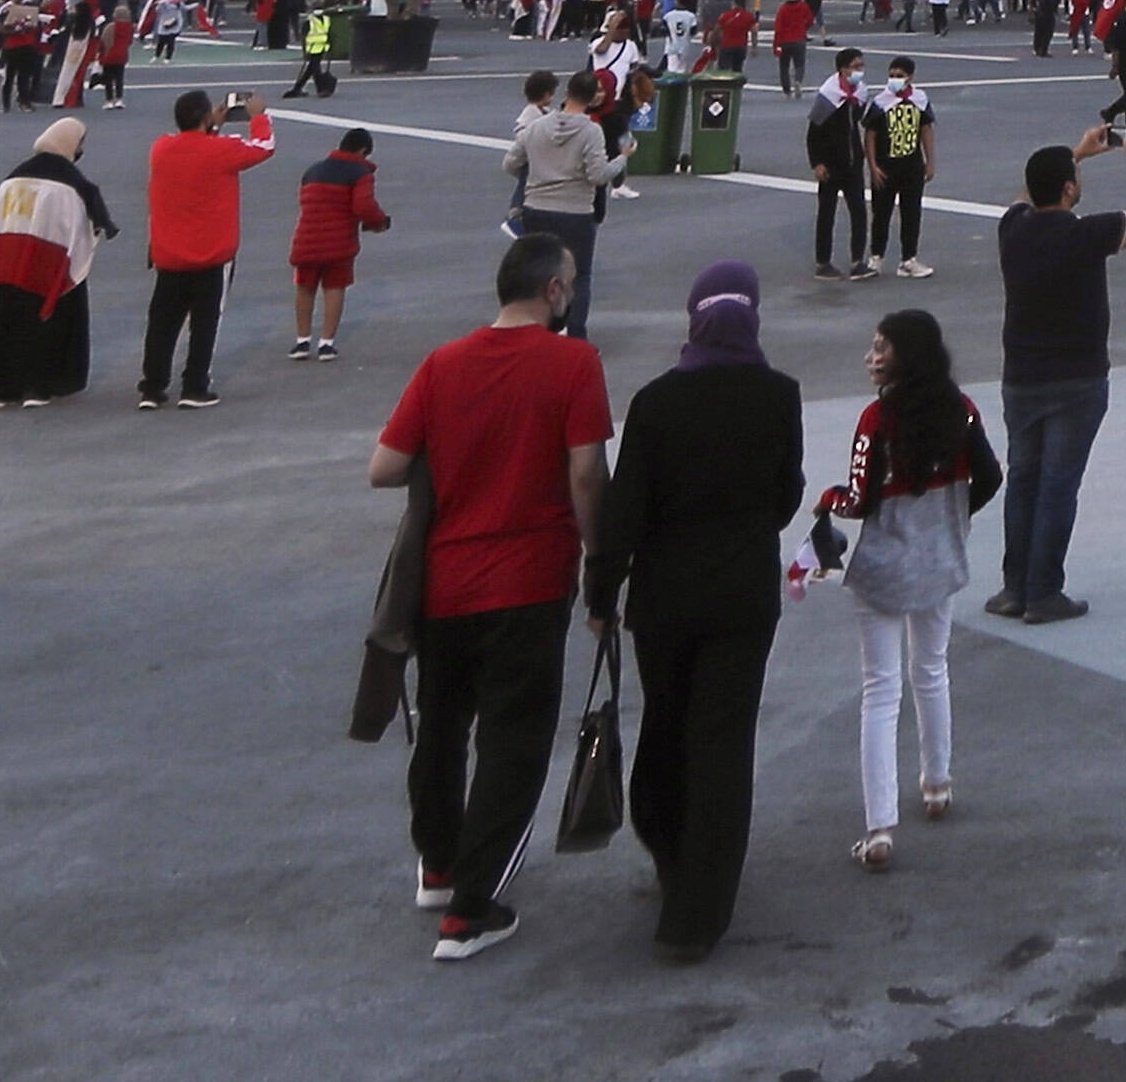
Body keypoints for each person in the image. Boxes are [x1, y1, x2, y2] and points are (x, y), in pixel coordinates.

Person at [369, 238, 614, 959]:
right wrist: (600, 561)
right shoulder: (574, 363)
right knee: (514, 740)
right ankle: (473, 906)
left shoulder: (442, 364)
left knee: (443, 728)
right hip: (529, 582)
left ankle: (438, 864)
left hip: (445, 585)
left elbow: (384, 469)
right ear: (556, 293)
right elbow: (586, 474)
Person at [587, 262, 805, 962]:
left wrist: (602, 592)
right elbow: (785, 495)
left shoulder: (657, 403)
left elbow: (626, 510)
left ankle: (666, 845)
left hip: (664, 597)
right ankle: (697, 915)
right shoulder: (779, 396)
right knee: (723, 741)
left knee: (667, 720)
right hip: (743, 593)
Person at [824, 304, 1000, 869]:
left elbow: (860, 499)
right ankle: (937, 783)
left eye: (882, 348)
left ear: (904, 356)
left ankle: (879, 828)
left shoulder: (877, 423)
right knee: (932, 667)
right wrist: (953, 519)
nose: (871, 358)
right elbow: (991, 476)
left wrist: (828, 501)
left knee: (880, 687)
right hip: (940, 561)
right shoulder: (963, 411)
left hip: (883, 568)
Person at [988, 123, 1126, 623]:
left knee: (1022, 479)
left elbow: (1028, 194)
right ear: (1070, 190)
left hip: (1020, 377)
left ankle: (1014, 586)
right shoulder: (1087, 233)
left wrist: (1076, 154)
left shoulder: (1014, 229)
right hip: (1077, 378)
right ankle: (1044, 590)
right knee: (1058, 484)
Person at [132, 89, 282, 410]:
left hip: (169, 253)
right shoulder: (222, 151)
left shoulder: (161, 148)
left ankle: (153, 387)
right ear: (204, 117)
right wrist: (258, 117)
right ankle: (195, 385)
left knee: (162, 323)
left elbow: (194, 147)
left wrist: (211, 126)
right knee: (205, 323)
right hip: (211, 254)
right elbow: (264, 147)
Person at [0, 116, 114, 410]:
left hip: (4, 263)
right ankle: (37, 387)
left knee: (2, 322)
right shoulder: (72, 180)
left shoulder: (14, 176)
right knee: (45, 320)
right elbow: (91, 221)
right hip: (45, 265)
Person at [505, 67, 617, 331]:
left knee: (537, 273)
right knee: (579, 277)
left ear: (567, 93)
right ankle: (576, 336)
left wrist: (535, 174)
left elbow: (510, 163)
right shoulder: (591, 131)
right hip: (576, 211)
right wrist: (622, 159)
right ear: (592, 99)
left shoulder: (537, 126)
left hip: (536, 207)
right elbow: (598, 175)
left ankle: (536, 330)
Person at [289, 129, 391, 359]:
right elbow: (363, 206)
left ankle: (302, 341)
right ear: (363, 151)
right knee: (334, 287)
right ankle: (326, 343)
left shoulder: (312, 171)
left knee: (305, 287)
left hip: (307, 237)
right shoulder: (359, 172)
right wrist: (379, 222)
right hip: (339, 241)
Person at [865, 59, 937, 279]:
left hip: (912, 165)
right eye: (892, 75)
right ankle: (876, 257)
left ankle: (909, 259)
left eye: (900, 75)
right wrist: (873, 166)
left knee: (912, 212)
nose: (895, 79)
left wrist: (930, 161)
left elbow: (926, 130)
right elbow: (870, 135)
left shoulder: (920, 100)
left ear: (910, 77)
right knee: (881, 213)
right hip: (886, 167)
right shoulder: (880, 102)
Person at [805, 48, 873, 277]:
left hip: (853, 161)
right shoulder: (828, 95)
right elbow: (813, 133)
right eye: (855, 66)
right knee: (827, 213)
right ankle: (822, 262)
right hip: (831, 163)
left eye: (861, 66)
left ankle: (857, 261)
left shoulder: (860, 92)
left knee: (859, 211)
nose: (859, 71)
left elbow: (858, 122)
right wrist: (817, 163)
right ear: (843, 69)